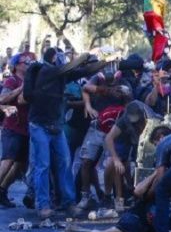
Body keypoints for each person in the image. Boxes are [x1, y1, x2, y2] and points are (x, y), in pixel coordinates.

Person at [24, 48, 110, 219]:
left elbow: (84, 70)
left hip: (55, 125)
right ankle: (43, 206)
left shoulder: (60, 75)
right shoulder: (46, 70)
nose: (62, 59)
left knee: (64, 164)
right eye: (59, 57)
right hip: (39, 125)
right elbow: (74, 66)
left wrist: (107, 61)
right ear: (53, 58)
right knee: (43, 165)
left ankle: (68, 203)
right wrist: (87, 55)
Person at [75, 63, 132, 212]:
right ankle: (85, 196)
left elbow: (128, 100)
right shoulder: (97, 79)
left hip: (114, 129)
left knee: (113, 164)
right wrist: (88, 105)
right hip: (97, 126)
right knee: (87, 161)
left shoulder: (123, 82)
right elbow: (86, 88)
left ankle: (115, 198)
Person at [103, 100, 161, 212]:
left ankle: (137, 193)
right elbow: (108, 138)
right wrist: (116, 159)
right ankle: (117, 198)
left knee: (144, 165)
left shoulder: (151, 119)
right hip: (127, 139)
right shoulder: (124, 121)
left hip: (145, 142)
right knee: (117, 164)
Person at [0, 54, 30, 207]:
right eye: (26, 62)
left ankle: (2, 190)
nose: (29, 64)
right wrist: (21, 88)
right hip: (12, 127)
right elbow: (2, 99)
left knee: (20, 164)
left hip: (25, 128)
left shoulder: (30, 80)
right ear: (17, 65)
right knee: (7, 161)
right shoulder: (12, 80)